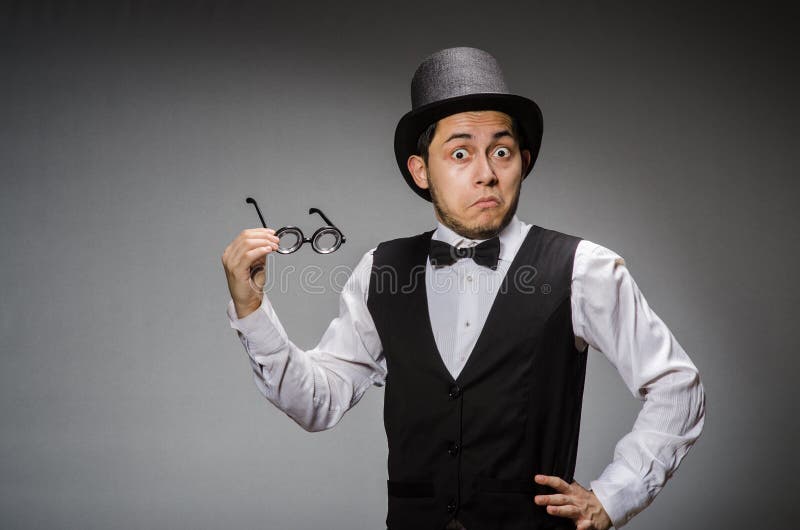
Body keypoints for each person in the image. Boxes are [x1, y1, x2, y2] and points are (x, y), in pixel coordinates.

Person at [221, 47, 705, 530]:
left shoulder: (583, 268)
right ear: (421, 171)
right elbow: (317, 402)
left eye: (501, 151)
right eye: (459, 153)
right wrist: (252, 309)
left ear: (523, 160)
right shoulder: (380, 271)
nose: (486, 173)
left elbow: (675, 385)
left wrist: (613, 497)